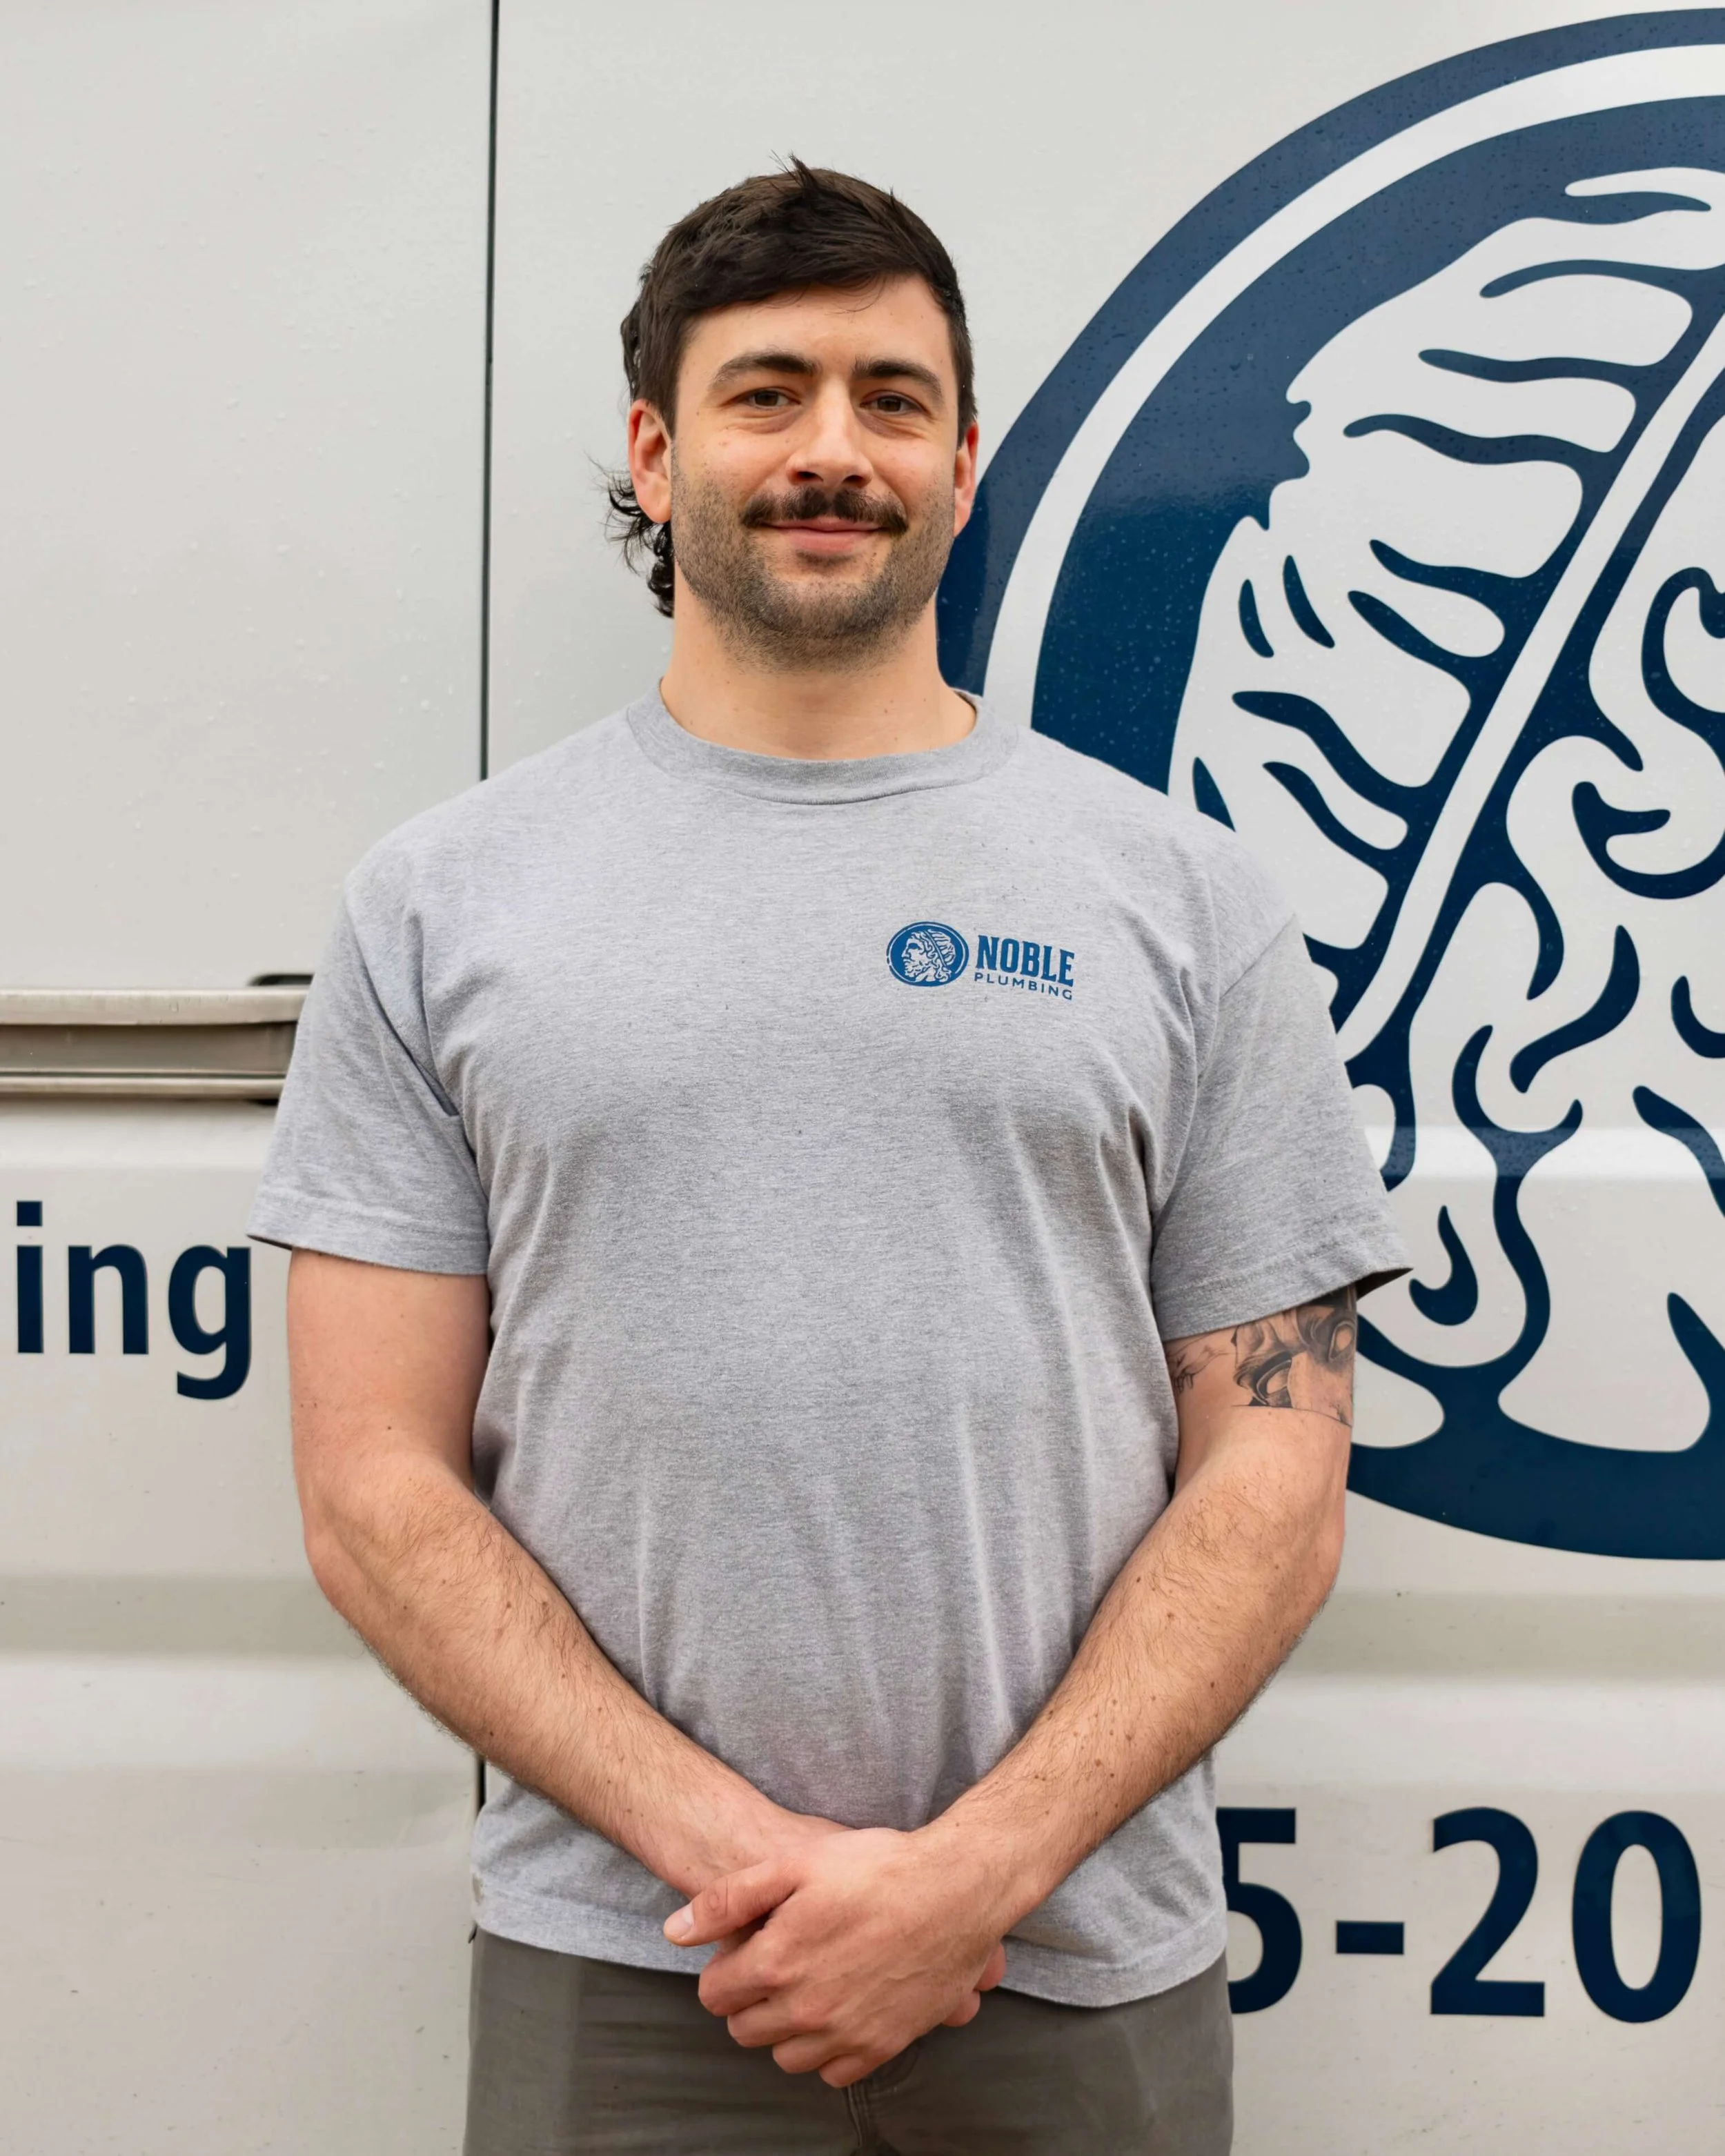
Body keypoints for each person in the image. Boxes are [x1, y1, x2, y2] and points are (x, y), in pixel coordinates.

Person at [251, 161, 1408, 2154]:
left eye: (888, 398)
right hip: (636, 1956)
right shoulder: (441, 903)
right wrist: (752, 1864)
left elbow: (1277, 1465)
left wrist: (972, 1872)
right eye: (766, 390)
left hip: (1076, 1953)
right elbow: (371, 1487)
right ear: (656, 444)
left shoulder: (1182, 902)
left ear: (962, 459)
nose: (829, 450)